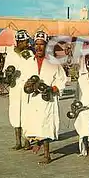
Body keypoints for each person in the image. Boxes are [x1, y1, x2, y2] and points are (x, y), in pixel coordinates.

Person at [22, 31, 68, 165]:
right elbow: (23, 80)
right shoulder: (29, 62)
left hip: (47, 99)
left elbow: (62, 81)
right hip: (33, 99)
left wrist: (52, 89)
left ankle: (47, 155)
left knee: (46, 124)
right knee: (34, 122)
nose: (39, 47)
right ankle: (37, 142)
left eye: (42, 44)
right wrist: (27, 85)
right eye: (36, 44)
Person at [3, 29, 33, 150]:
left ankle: (27, 140)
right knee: (16, 113)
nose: (27, 44)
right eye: (25, 42)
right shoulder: (10, 55)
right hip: (15, 88)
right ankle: (17, 141)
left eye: (27, 41)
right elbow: (5, 72)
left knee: (27, 113)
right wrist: (9, 74)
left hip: (27, 88)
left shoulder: (30, 54)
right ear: (18, 42)